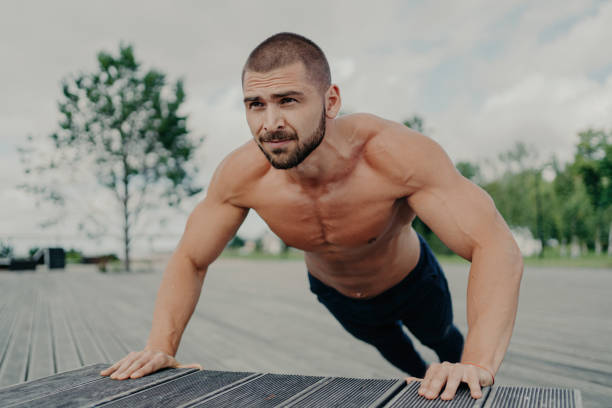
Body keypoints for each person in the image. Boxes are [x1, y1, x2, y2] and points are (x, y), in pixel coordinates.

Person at [101, 32, 523, 401]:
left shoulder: (393, 155)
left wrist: (478, 364)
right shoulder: (242, 176)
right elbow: (190, 258)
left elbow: (494, 244)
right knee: (406, 366)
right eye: (255, 104)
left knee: (445, 345)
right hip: (340, 297)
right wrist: (161, 346)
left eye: (288, 101)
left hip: (413, 281)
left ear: (331, 100)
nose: (270, 123)